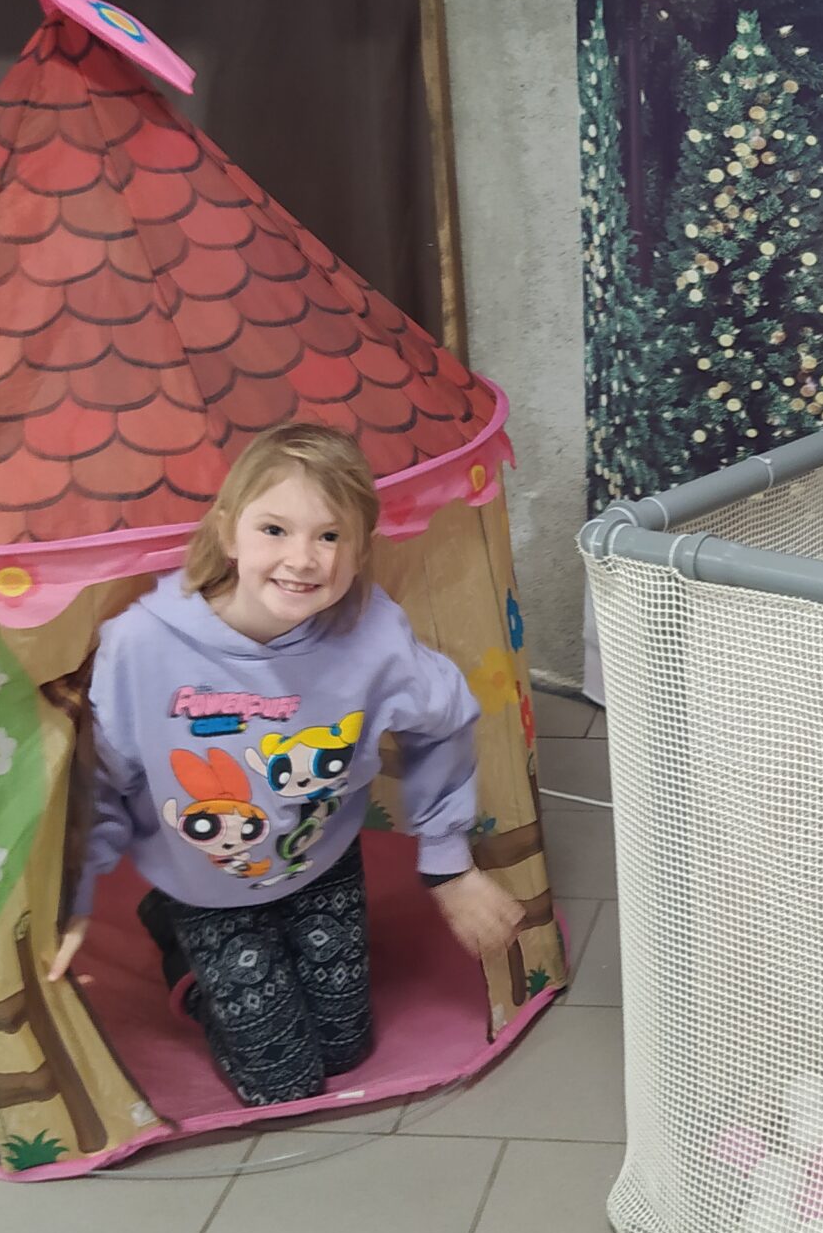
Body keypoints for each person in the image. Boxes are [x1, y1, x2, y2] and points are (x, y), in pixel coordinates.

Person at [50, 422, 524, 1104]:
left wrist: (448, 863)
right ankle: (179, 945)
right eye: (274, 529)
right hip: (206, 887)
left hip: (320, 860)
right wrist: (75, 898)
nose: (302, 559)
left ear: (359, 552)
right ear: (228, 532)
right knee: (284, 1083)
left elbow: (443, 717)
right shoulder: (141, 645)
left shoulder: (373, 634)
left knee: (347, 1046)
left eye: (329, 536)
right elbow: (104, 773)